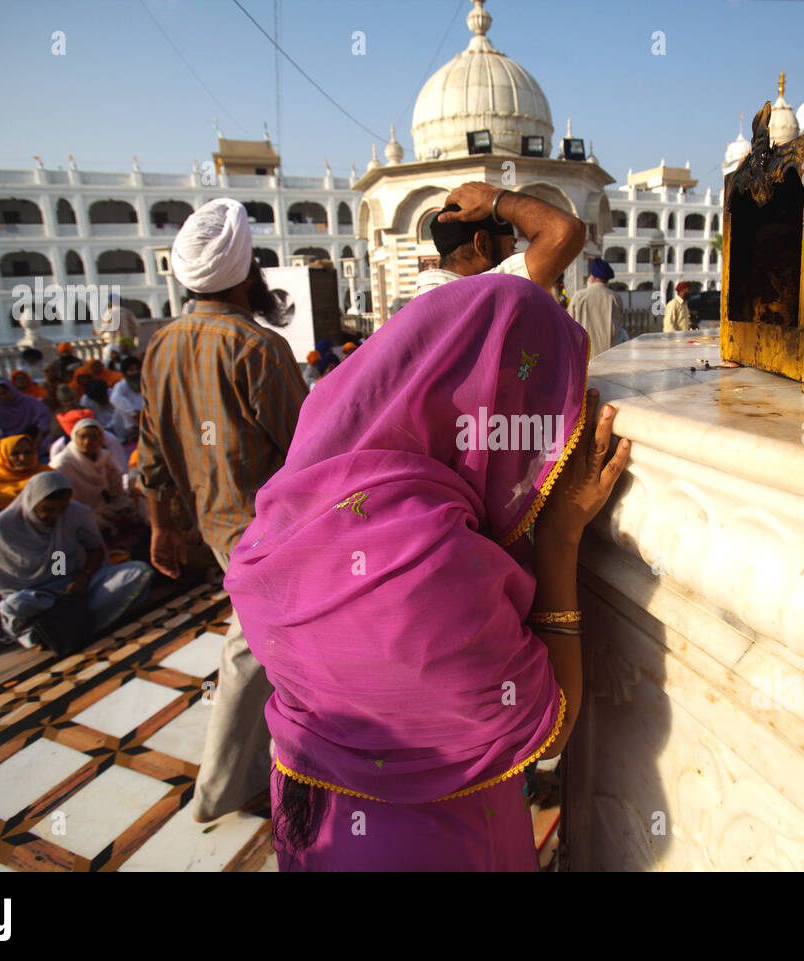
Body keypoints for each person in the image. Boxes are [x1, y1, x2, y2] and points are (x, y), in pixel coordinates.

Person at [225, 274, 631, 871]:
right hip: (439, 843)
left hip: (317, 826)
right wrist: (561, 535)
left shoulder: (282, 511)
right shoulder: (429, 567)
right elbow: (550, 731)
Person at [139, 197, 308, 822]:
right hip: (269, 534)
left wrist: (162, 523)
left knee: (268, 643)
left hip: (214, 526)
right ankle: (222, 788)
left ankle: (279, 760)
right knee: (251, 649)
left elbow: (151, 447)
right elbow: (306, 453)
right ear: (247, 272)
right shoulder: (256, 346)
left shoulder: (162, 344)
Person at [0, 472, 152, 650]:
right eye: (47, 509)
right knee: (12, 607)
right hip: (33, 595)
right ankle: (56, 628)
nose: (55, 516)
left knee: (137, 572)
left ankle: (59, 629)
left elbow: (94, 548)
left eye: (61, 509)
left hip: (68, 584)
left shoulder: (74, 513)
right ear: (31, 501)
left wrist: (83, 577)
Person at [413, 182, 585, 295]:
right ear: (482, 245)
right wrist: (495, 200)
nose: (513, 255)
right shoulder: (485, 296)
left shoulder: (413, 310)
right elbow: (566, 231)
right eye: (511, 247)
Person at [52, 418, 138, 536]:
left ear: (101, 439)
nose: (87, 442)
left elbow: (116, 489)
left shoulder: (104, 457)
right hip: (82, 512)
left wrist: (119, 503)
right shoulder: (62, 465)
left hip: (106, 506)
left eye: (93, 437)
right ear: (74, 437)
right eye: (82, 437)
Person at [0, 433, 51, 523]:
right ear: (2, 456)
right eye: (15, 454)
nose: (23, 458)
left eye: (27, 452)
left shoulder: (46, 473)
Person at [568, 258, 624, 355]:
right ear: (607, 280)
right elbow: (619, 325)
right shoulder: (615, 298)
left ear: (592, 277)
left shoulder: (579, 297)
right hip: (608, 354)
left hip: (583, 354)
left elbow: (569, 323)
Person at [0, 380, 50, 446]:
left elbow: (44, 416)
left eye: (4, 393)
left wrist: (40, 435)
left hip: (34, 435)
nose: (2, 397)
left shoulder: (28, 400)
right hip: (11, 440)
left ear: (12, 390)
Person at [109, 355, 143, 442]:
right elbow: (115, 399)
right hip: (128, 423)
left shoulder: (146, 383)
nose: (135, 372)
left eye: (137, 369)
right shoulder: (121, 386)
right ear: (125, 372)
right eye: (131, 370)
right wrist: (132, 412)